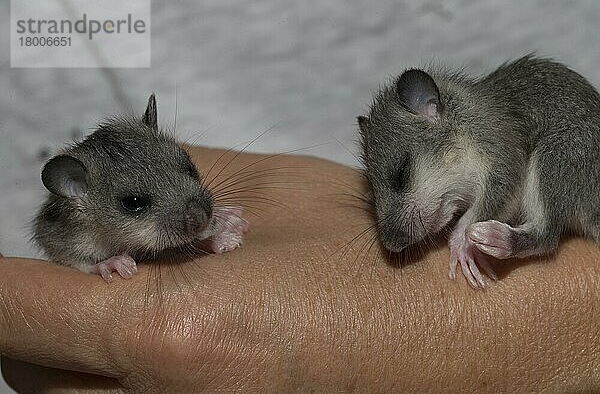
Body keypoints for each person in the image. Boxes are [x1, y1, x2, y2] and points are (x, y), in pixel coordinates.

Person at [1, 148, 598, 393]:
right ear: (74, 192)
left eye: (187, 175)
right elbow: (60, 246)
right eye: (135, 206)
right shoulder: (73, 222)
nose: (195, 205)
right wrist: (100, 262)